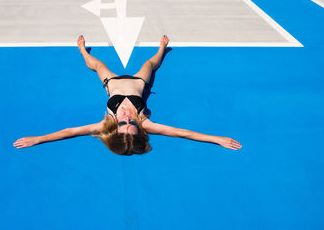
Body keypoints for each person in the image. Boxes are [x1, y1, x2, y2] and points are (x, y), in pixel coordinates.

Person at [13, 35, 242, 155]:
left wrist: (38, 139)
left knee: (97, 64)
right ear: (138, 128)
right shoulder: (147, 124)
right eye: (131, 122)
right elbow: (182, 133)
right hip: (138, 83)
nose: (126, 116)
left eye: (124, 122)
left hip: (111, 83)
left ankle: (82, 50)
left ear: (116, 128)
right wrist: (217, 139)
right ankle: (161, 49)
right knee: (150, 63)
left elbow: (71, 131)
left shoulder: (107, 123)